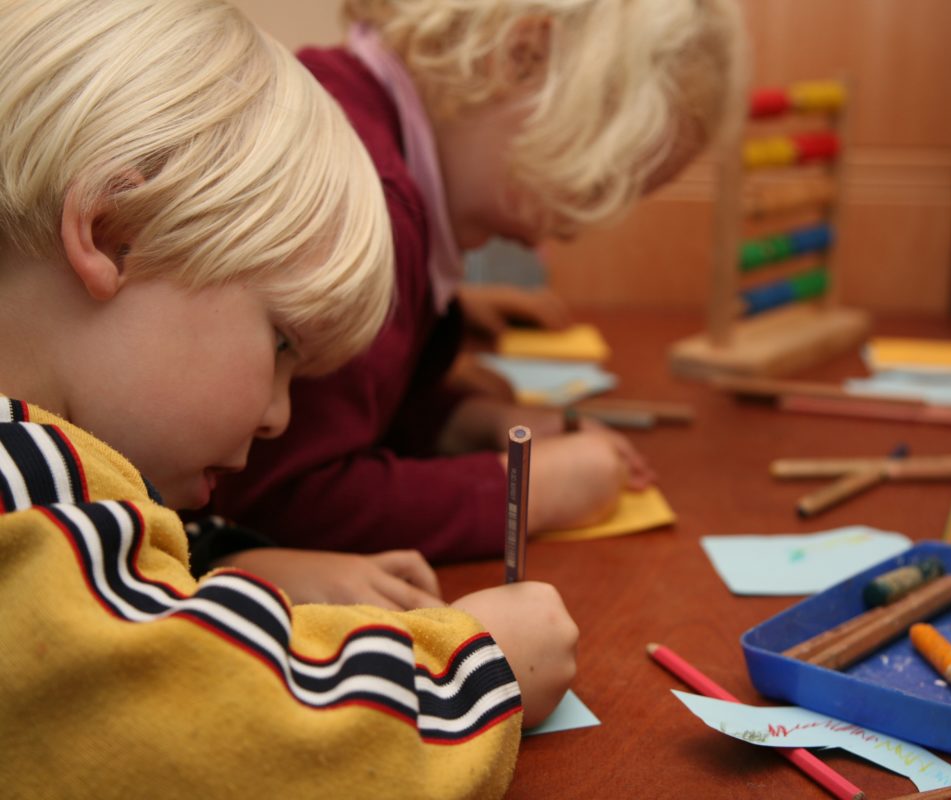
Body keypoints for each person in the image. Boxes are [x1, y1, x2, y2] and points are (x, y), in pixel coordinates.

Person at [0, 0, 576, 794]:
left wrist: (233, 557)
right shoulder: (22, 485)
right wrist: (469, 666)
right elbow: (221, 733)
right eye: (279, 345)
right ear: (111, 233)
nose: (278, 416)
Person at [211, 0, 746, 562]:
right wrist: (522, 493)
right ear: (522, 57)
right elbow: (282, 500)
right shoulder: (370, 202)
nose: (592, 218)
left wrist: (461, 421)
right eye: (604, 177)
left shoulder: (369, 127)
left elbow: (345, 409)